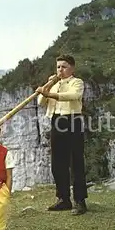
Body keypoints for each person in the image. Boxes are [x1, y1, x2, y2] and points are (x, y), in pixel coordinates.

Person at [36, 54, 88, 215]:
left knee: (76, 160)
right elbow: (40, 102)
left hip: (73, 120)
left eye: (64, 66)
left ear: (72, 68)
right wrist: (48, 84)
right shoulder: (53, 85)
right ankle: (63, 199)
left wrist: (50, 94)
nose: (60, 70)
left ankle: (80, 201)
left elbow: (73, 96)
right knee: (58, 162)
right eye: (58, 67)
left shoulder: (76, 82)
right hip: (56, 121)